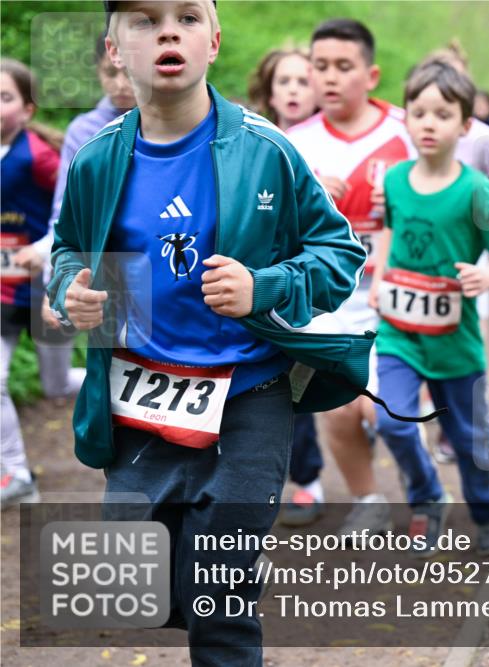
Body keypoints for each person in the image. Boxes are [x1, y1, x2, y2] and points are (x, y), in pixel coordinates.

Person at [48, 2, 367, 663]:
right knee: (144, 583)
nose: (168, 30)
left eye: (187, 16)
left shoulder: (267, 149)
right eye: (143, 19)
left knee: (220, 597)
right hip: (141, 396)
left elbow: (338, 253)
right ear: (114, 49)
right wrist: (70, 290)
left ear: (213, 41)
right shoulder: (97, 161)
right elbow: (68, 251)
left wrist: (266, 286)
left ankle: (233, 573)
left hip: (250, 390)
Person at [368, 59, 489, 557]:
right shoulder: (393, 180)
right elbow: (389, 226)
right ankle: (426, 495)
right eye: (418, 113)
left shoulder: (476, 189)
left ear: (465, 124)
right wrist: (381, 271)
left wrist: (487, 276)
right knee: (391, 420)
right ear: (406, 119)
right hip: (398, 330)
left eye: (441, 114)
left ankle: (483, 509)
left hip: (455, 339)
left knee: (471, 440)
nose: (428, 124)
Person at [285, 18, 416, 533]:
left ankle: (427, 496)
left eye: (344, 66)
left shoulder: (410, 128)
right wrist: (307, 196)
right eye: (320, 66)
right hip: (331, 301)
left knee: (388, 413)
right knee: (338, 411)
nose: (329, 78)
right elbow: (268, 225)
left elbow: (463, 193)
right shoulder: (291, 142)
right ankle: (368, 500)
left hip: (400, 294)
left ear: (372, 73)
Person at [247, 46, 329, 526]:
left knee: (297, 384)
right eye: (285, 81)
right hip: (252, 286)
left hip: (305, 286)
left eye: (304, 80)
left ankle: (308, 479)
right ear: (269, 89)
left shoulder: (329, 143)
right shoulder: (247, 139)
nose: (295, 90)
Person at [0, 58, 82, 509]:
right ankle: (15, 473)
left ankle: (133, 383)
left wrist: (47, 248)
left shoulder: (42, 157)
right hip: (2, 294)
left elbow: (75, 206)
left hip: (46, 291)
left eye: (5, 97)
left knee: (56, 385)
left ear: (28, 109)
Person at [247, 47, 316, 131]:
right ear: (270, 95)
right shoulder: (254, 142)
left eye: (303, 82)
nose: (293, 90)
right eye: (284, 82)